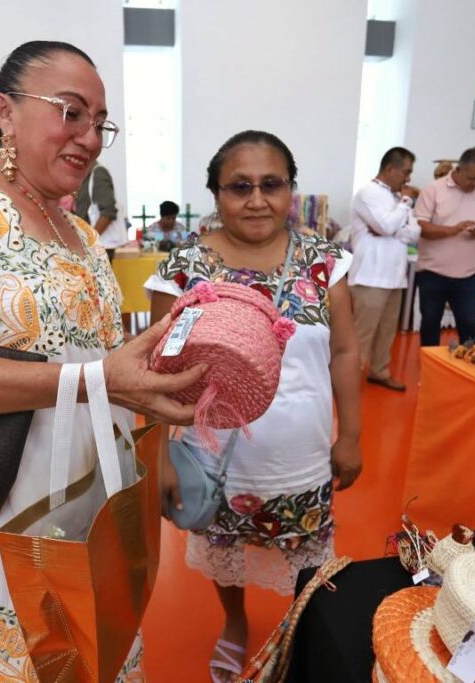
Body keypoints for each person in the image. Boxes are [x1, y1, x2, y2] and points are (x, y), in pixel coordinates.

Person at [0, 41, 204, 682]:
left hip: (94, 494)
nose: (90, 138)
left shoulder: (81, 234)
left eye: (100, 123)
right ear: (5, 111)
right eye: (70, 112)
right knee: (28, 658)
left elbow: (97, 360)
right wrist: (97, 380)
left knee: (101, 646)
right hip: (5, 502)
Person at [147, 130, 362, 682]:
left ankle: (300, 627)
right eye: (239, 187)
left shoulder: (324, 263)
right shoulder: (183, 268)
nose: (257, 200)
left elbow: (344, 351)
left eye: (272, 184)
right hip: (217, 458)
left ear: (291, 190)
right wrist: (160, 457)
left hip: (303, 455)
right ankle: (236, 622)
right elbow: (155, 370)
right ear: (216, 194)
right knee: (226, 550)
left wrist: (351, 436)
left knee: (307, 554)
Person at [414, 146, 475, 347]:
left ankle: (471, 362)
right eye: (471, 178)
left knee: (469, 322)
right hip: (432, 271)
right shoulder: (434, 189)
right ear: (459, 168)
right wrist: (453, 230)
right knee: (430, 321)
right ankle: (430, 362)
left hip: (470, 273)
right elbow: (420, 227)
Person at [349, 146, 420, 392]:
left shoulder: (396, 198)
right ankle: (347, 380)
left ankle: (379, 371)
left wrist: (393, 225)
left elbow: (414, 233)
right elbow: (386, 227)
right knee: (362, 334)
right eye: (406, 172)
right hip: (370, 276)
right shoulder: (367, 193)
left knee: (387, 332)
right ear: (390, 169)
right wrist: (404, 206)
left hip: (395, 276)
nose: (408, 178)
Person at [74, 161, 124, 260]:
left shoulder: (98, 173)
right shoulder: (85, 176)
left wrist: (90, 241)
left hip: (97, 247)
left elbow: (108, 211)